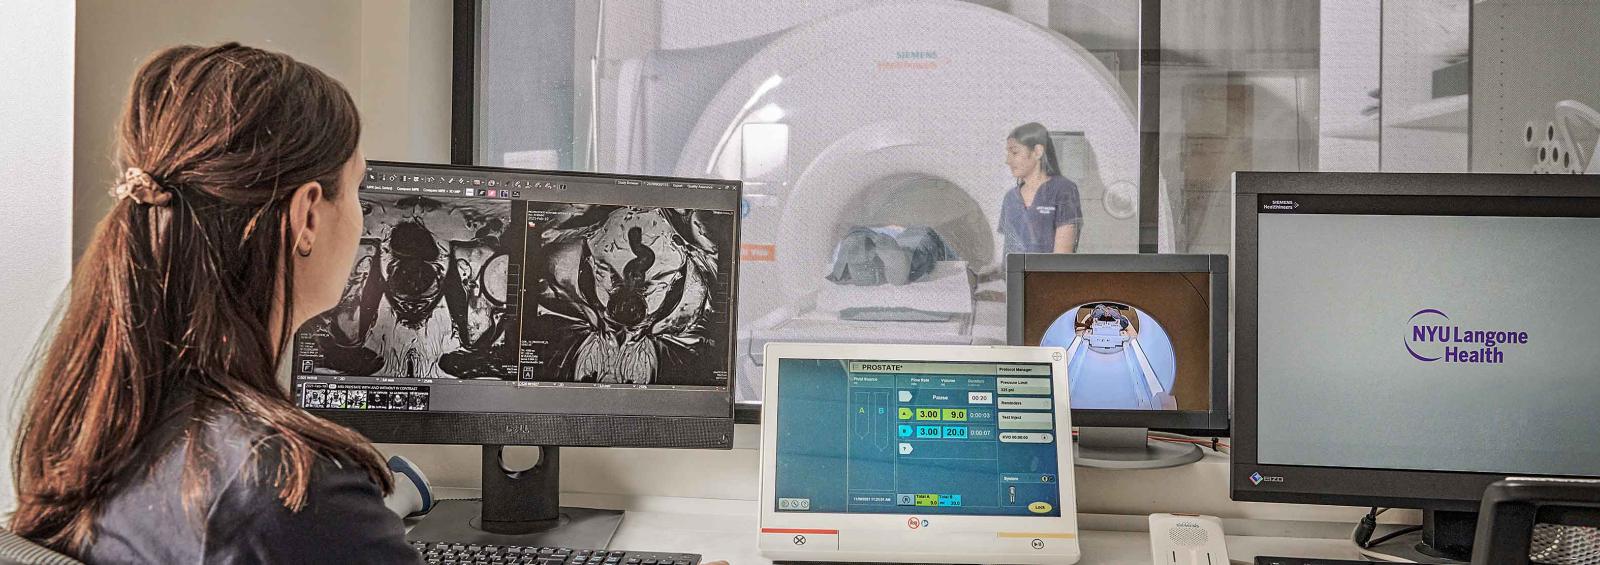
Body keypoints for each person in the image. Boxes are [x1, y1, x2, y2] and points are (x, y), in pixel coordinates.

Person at [6, 43, 727, 565]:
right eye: (359, 189)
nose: (362, 215)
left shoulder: (96, 426)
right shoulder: (289, 491)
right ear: (306, 216)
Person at [998, 122, 1083, 254]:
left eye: (1014, 152)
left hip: (1049, 268)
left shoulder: (1064, 190)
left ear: (1037, 152)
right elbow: (1009, 253)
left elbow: (1062, 258)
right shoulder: (1010, 198)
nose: (1007, 161)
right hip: (1016, 268)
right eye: (1008, 153)